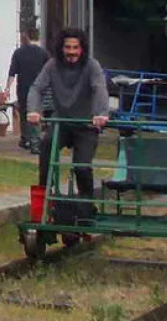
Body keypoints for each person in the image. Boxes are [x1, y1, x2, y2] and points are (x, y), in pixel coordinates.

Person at [26, 28, 109, 204]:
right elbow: (36, 88)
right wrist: (34, 110)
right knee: (46, 148)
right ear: (61, 48)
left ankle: (87, 206)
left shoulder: (92, 65)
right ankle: (45, 199)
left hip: (86, 124)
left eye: (75, 48)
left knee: (82, 167)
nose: (71, 52)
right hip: (62, 122)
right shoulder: (52, 65)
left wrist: (101, 114)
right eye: (67, 47)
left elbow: (99, 88)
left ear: (82, 49)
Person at [7, 28, 50, 151]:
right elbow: (49, 72)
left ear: (26, 37)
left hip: (23, 87)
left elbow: (12, 72)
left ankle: (25, 138)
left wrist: (7, 88)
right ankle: (35, 141)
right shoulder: (43, 53)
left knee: (24, 112)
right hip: (39, 88)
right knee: (35, 113)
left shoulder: (18, 53)